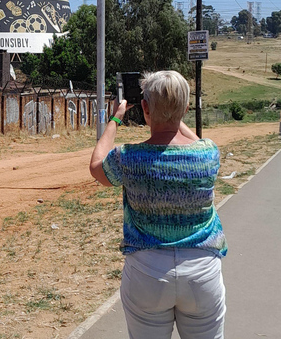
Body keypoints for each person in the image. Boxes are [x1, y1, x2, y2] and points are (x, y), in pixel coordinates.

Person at [89, 71, 228, 339]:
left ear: (144, 108)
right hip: (202, 272)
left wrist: (116, 118)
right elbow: (193, 141)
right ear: (186, 109)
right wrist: (174, 116)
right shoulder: (208, 153)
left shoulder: (128, 157)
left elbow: (97, 168)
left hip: (147, 273)